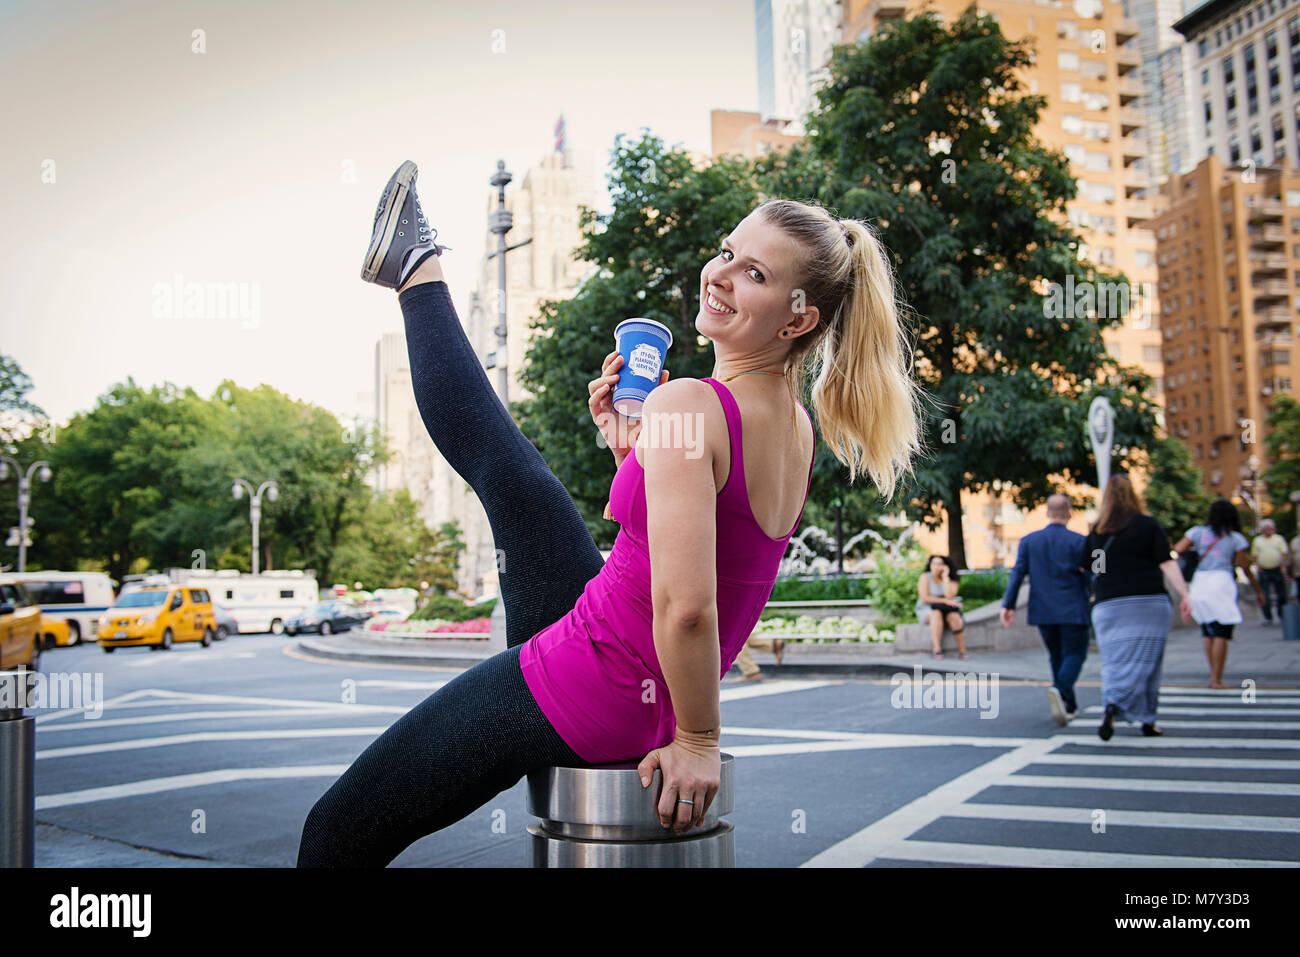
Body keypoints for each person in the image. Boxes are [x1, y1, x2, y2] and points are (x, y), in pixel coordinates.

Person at [296, 162, 924, 866]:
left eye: (754, 274)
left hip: (600, 676)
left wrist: (699, 741)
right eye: (725, 253)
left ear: (799, 317)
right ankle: (416, 263)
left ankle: (417, 267)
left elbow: (688, 606)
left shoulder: (689, 404)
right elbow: (703, 539)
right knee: (519, 481)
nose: (719, 275)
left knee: (333, 832)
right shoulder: (794, 426)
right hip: (628, 656)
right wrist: (633, 449)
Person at [1081, 475, 1191, 741]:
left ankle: (1111, 703)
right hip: (1148, 602)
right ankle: (1148, 720)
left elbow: (1094, 569)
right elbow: (1166, 562)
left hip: (1108, 605)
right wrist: (1185, 594)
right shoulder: (1148, 525)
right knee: (1149, 663)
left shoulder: (1098, 531)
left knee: (1113, 662)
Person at [999, 493, 1092, 725]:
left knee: (1056, 656)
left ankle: (1068, 704)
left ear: (1047, 513)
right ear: (1070, 512)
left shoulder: (1029, 541)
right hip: (1073, 608)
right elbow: (1097, 572)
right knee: (1075, 654)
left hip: (1043, 609)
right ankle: (1060, 690)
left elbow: (1017, 574)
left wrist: (1007, 605)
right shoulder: (1081, 541)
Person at [1172, 499, 1264, 690]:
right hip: (1221, 582)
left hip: (1200, 582)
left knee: (1208, 630)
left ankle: (1213, 674)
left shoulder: (1196, 532)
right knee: (1222, 631)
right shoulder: (1235, 538)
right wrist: (1258, 590)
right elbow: (1244, 567)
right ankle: (1217, 679)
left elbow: (1177, 550)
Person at [916, 554, 966, 660]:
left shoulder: (951, 578)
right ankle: (937, 649)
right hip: (927, 608)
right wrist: (944, 601)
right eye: (933, 564)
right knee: (936, 614)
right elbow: (925, 598)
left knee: (955, 617)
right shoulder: (925, 577)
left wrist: (945, 577)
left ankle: (962, 650)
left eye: (939, 564)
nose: (936, 567)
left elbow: (949, 596)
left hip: (947, 609)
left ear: (946, 566)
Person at [1249, 518, 1289, 625]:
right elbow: (1254, 555)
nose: (1271, 530)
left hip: (1277, 569)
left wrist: (1283, 566)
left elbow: (1284, 553)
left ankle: (1282, 615)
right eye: (1268, 529)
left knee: (1281, 594)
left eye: (1272, 528)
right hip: (1264, 570)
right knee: (1264, 594)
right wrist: (1258, 566)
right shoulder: (1258, 540)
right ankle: (1267, 617)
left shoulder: (1278, 539)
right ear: (1263, 530)